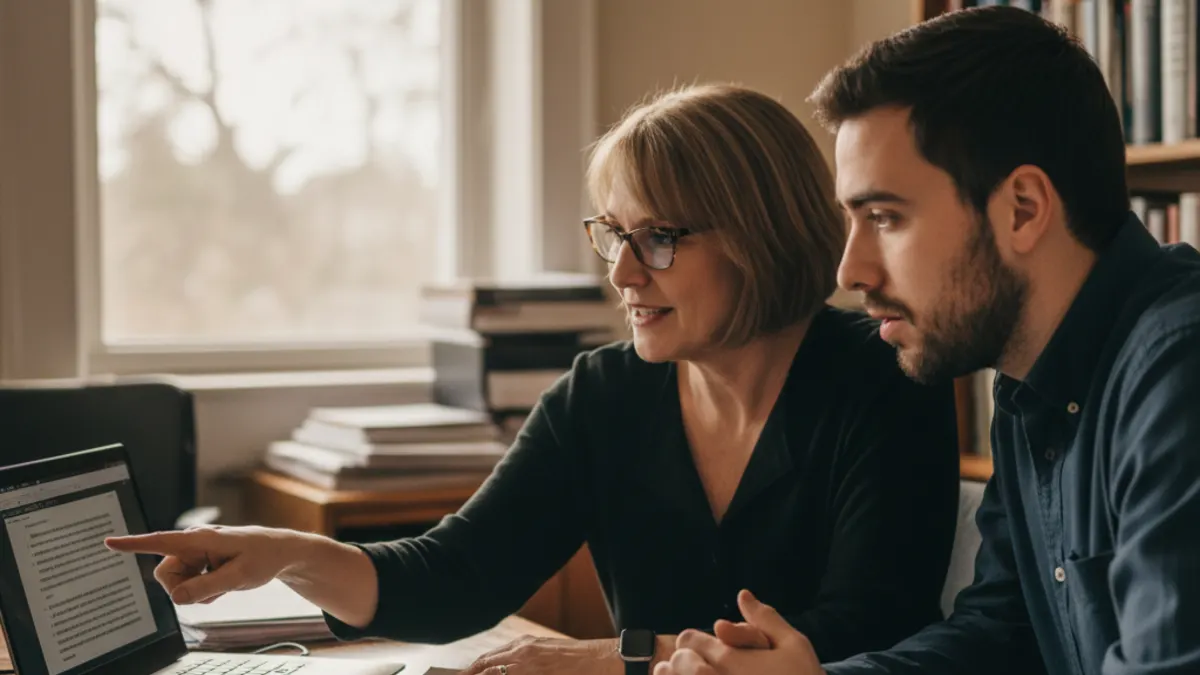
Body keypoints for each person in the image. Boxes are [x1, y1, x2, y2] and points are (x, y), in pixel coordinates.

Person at [105, 84, 961, 675]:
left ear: (759, 234)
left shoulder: (886, 382)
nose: (624, 275)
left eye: (657, 238)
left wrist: (618, 656)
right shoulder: (603, 396)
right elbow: (455, 576)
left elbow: (859, 636)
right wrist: (286, 555)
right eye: (612, 235)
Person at [656, 6, 1200, 675]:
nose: (850, 270)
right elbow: (1002, 633)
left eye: (884, 216)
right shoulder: (1032, 380)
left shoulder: (1180, 371)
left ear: (1023, 208)